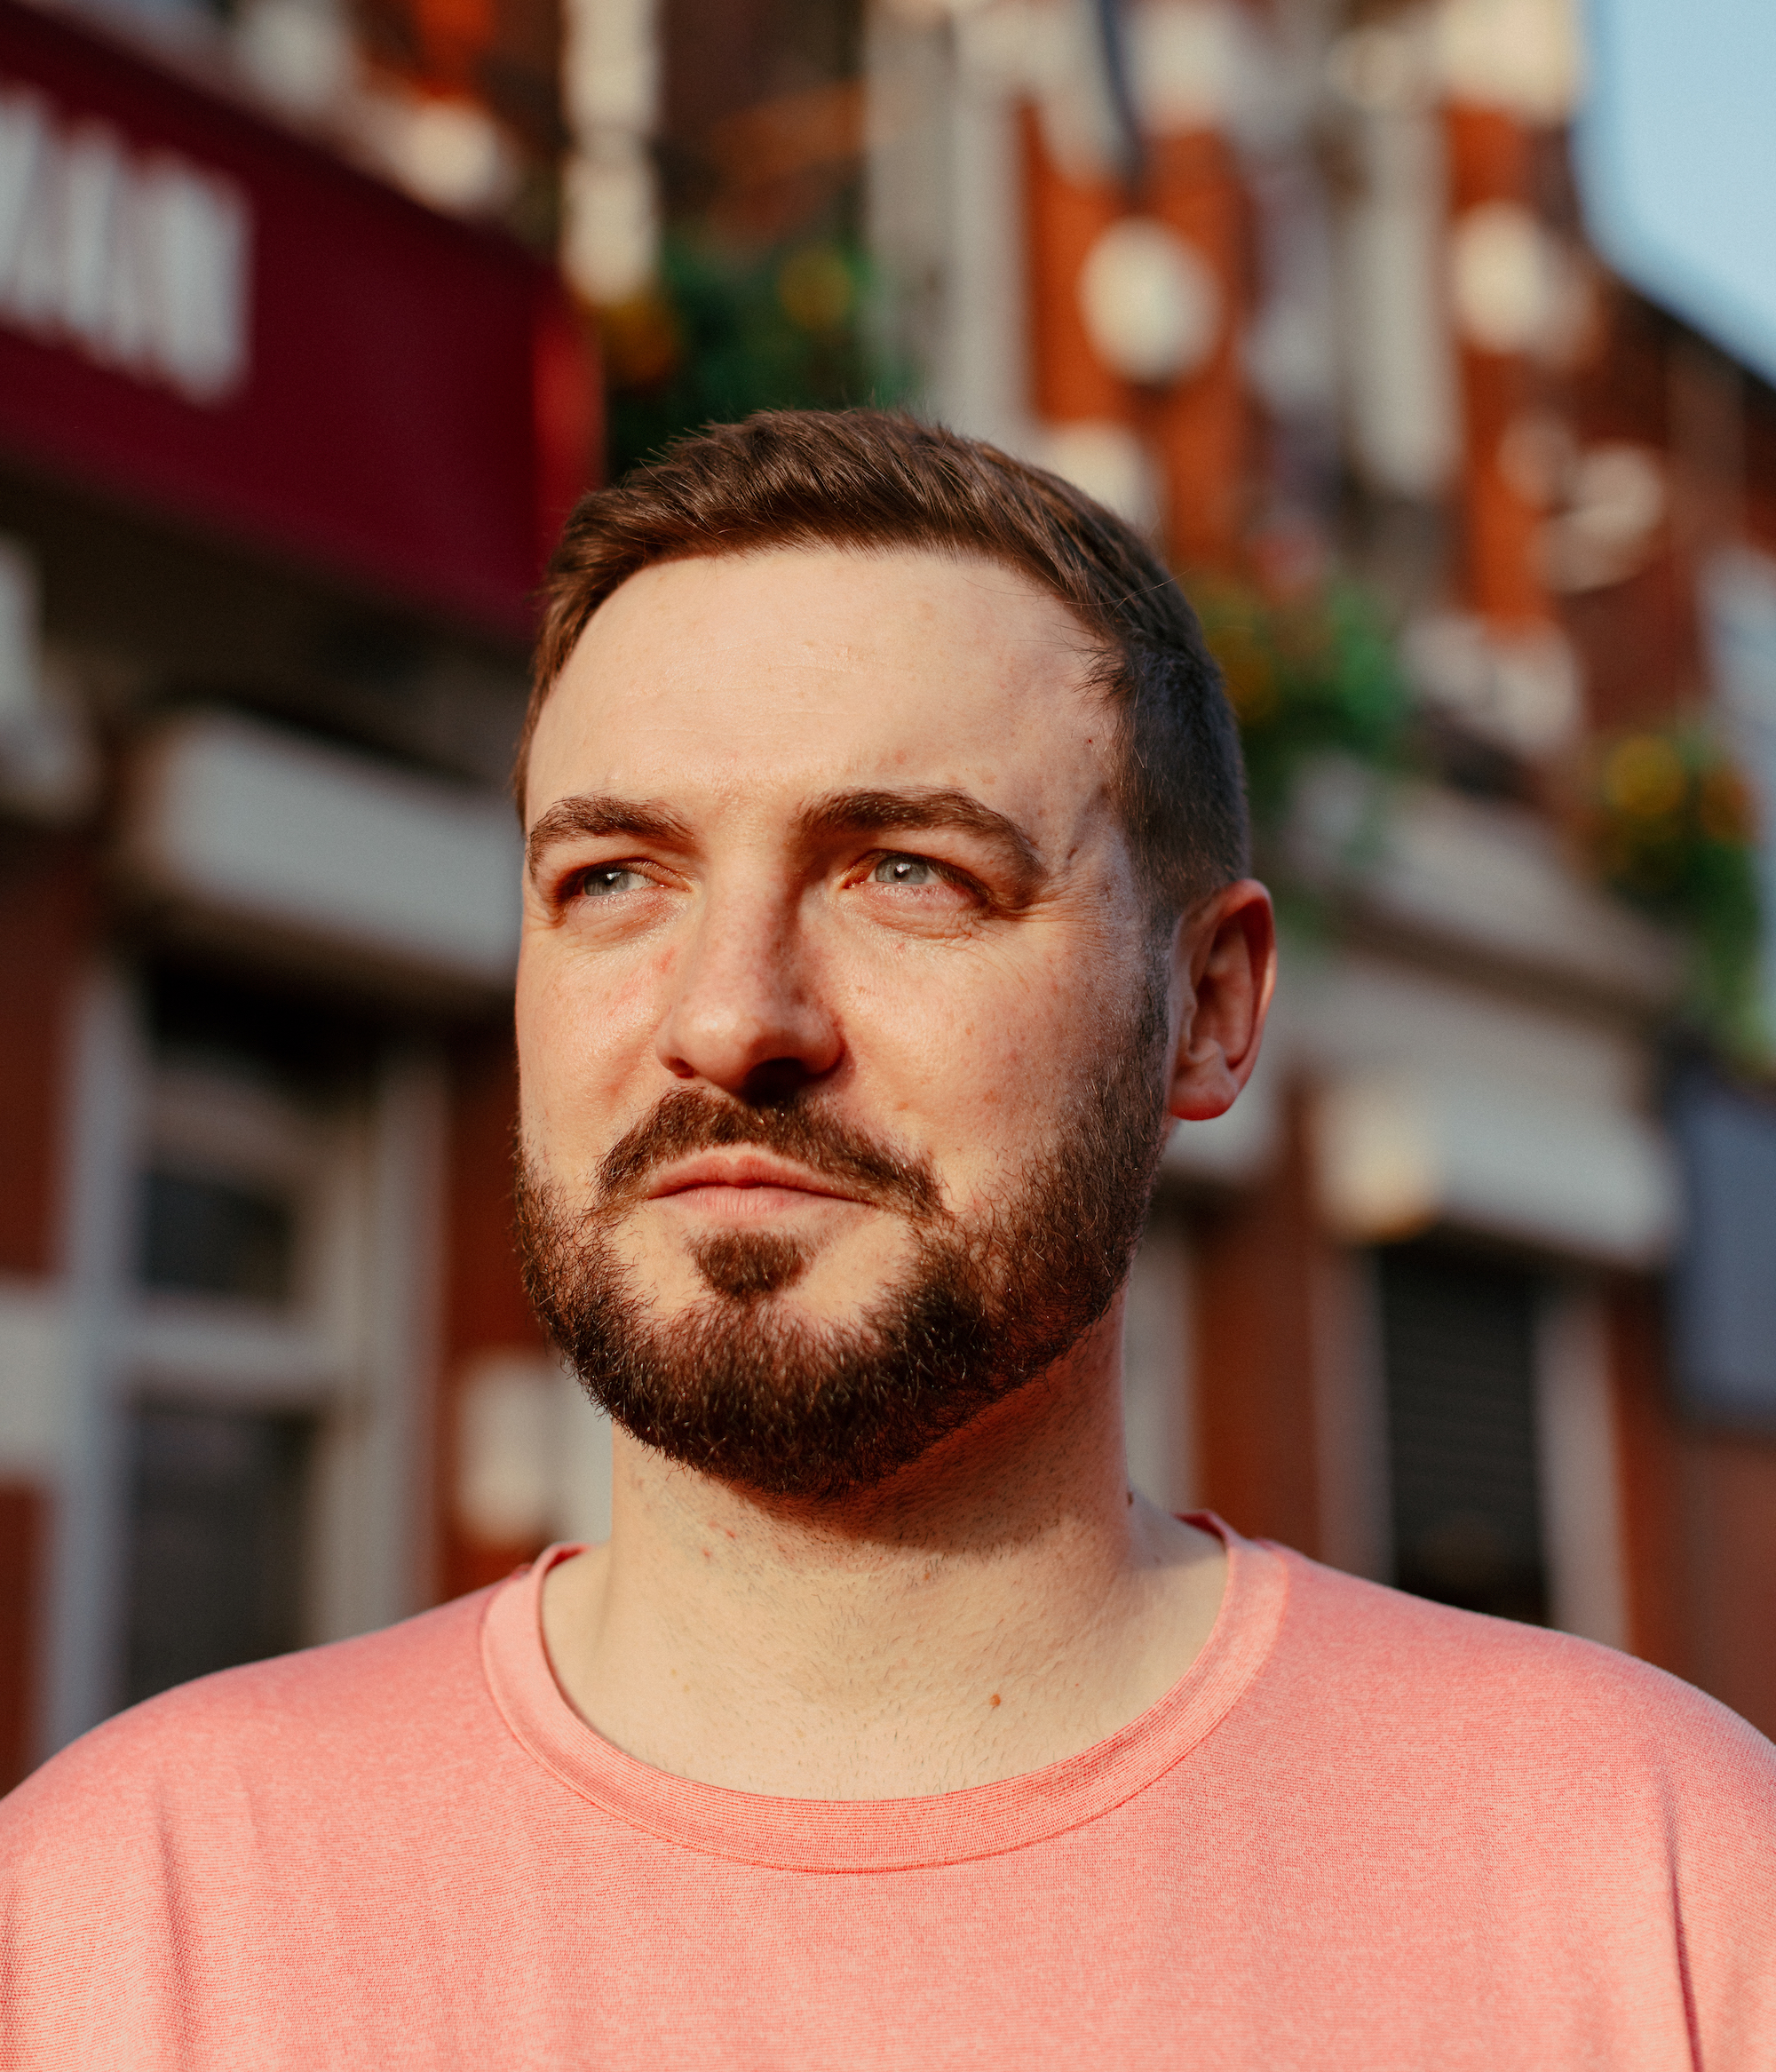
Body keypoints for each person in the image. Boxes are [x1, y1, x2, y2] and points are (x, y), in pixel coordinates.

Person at [3, 410, 1772, 2068]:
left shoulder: (1663, 1886)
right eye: (614, 877)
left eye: (907, 871)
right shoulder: (116, 1924)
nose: (730, 1017)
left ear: (1210, 1009)